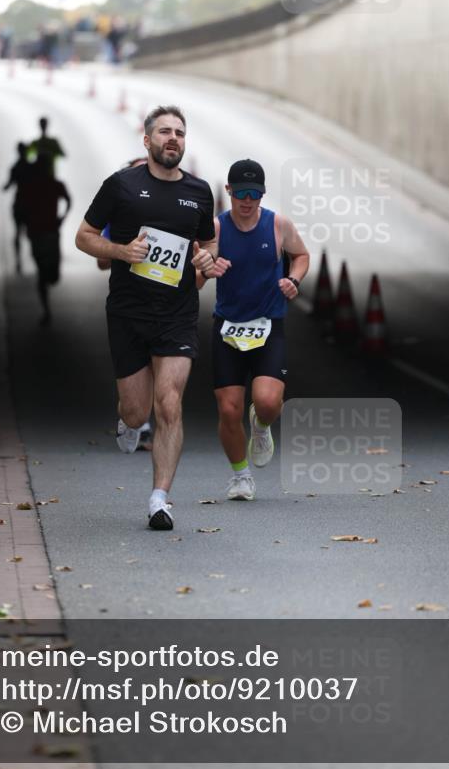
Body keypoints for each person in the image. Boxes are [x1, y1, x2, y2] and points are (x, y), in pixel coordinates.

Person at [75, 105, 216, 530]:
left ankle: (159, 499)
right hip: (129, 312)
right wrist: (121, 251)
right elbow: (82, 237)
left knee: (169, 404)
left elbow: (208, 245)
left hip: (176, 314)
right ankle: (128, 419)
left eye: (179, 132)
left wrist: (207, 264)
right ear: (147, 140)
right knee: (138, 412)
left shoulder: (199, 191)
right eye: (164, 132)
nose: (172, 138)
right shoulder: (120, 186)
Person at [197, 159, 309, 502]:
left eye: (255, 194)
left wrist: (293, 279)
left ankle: (261, 425)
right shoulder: (215, 229)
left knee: (268, 402)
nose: (247, 201)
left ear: (262, 195)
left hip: (267, 325)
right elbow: (196, 281)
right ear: (228, 191)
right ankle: (241, 476)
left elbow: (301, 255)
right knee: (228, 408)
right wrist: (208, 267)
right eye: (241, 193)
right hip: (228, 327)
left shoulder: (278, 225)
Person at [96, 158, 153, 452]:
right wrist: (127, 249)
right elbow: (101, 261)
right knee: (136, 384)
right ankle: (133, 418)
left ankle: (146, 427)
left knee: (165, 374)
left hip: (167, 309)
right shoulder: (119, 214)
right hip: (128, 305)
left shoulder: (175, 210)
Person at [17, 153, 71, 325]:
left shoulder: (31, 186)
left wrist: (26, 223)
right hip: (48, 232)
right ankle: (46, 309)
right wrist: (62, 217)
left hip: (38, 233)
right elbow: (69, 200)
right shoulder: (54, 184)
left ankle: (46, 307)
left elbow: (21, 208)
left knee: (44, 272)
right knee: (49, 273)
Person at [2, 142, 32, 273]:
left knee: (17, 232)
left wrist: (3, 187)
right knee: (32, 232)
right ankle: (34, 256)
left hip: (19, 204)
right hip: (30, 204)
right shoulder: (31, 167)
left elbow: (8, 186)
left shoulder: (15, 168)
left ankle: (18, 260)